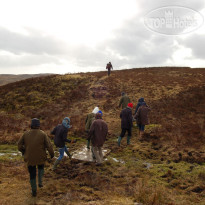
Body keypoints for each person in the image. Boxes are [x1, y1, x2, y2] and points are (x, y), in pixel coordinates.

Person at [18, 118, 54, 197]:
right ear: (38, 125)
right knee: (41, 168)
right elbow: (49, 146)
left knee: (32, 173)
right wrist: (52, 154)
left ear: (31, 125)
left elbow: (19, 145)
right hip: (41, 157)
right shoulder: (43, 134)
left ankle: (34, 191)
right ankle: (40, 183)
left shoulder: (25, 134)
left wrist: (24, 151)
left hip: (30, 157)